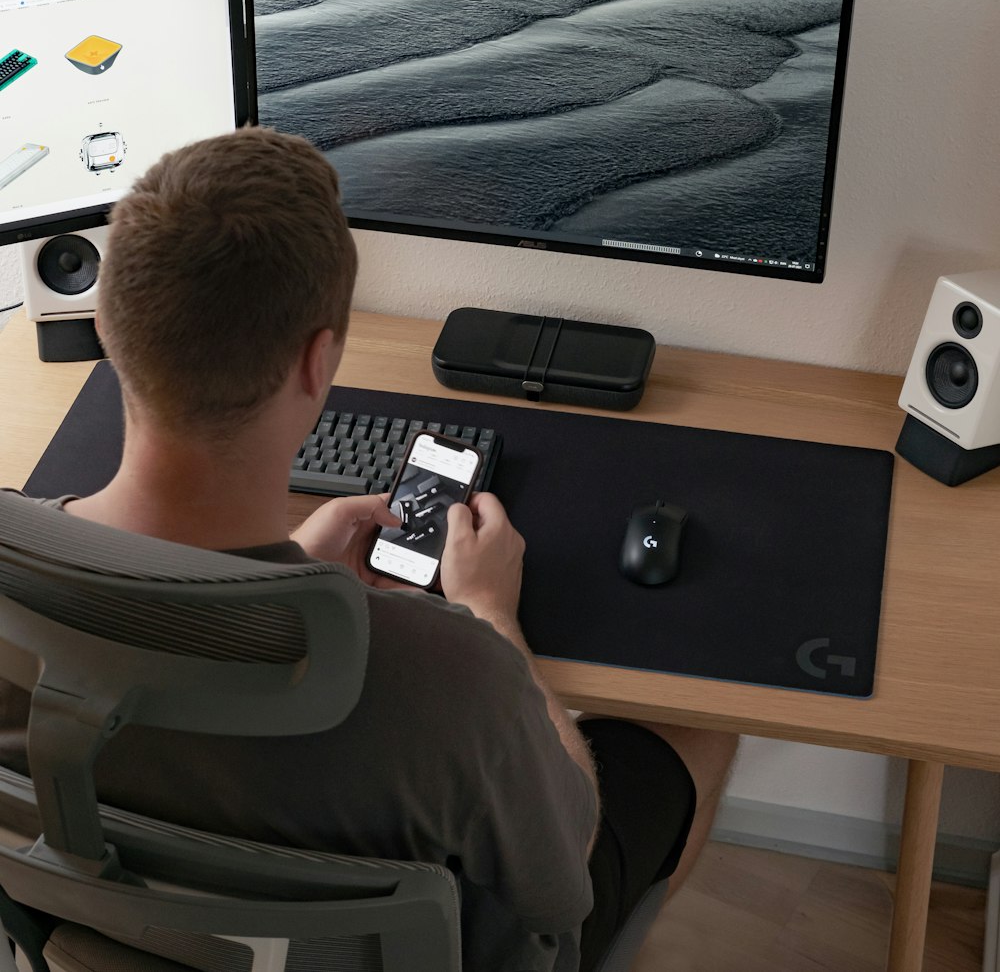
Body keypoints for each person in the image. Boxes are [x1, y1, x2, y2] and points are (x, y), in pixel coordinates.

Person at [0, 127, 736, 971]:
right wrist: (491, 618)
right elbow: (563, 876)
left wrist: (290, 567)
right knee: (695, 732)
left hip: (97, 945)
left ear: (104, 326)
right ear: (321, 361)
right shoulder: (447, 673)